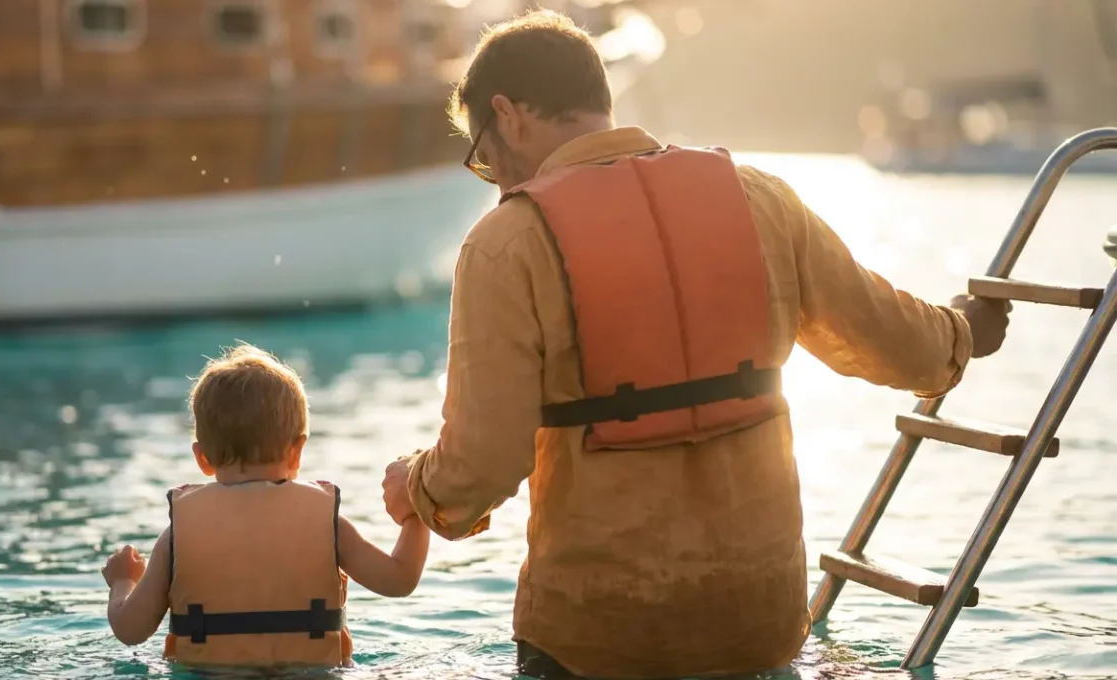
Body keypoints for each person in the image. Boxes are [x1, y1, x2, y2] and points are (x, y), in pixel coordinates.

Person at [379, 9, 1011, 679]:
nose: (495, 178)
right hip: (759, 627)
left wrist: (417, 486)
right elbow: (894, 340)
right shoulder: (758, 197)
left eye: (482, 156)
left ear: (508, 115)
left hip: (596, 637)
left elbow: (482, 465)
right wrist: (962, 330)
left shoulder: (506, 244)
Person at [102, 344, 430, 669]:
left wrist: (123, 581)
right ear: (297, 451)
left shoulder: (177, 536)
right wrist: (417, 507)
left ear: (202, 458)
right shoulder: (327, 525)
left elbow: (131, 630)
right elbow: (400, 580)